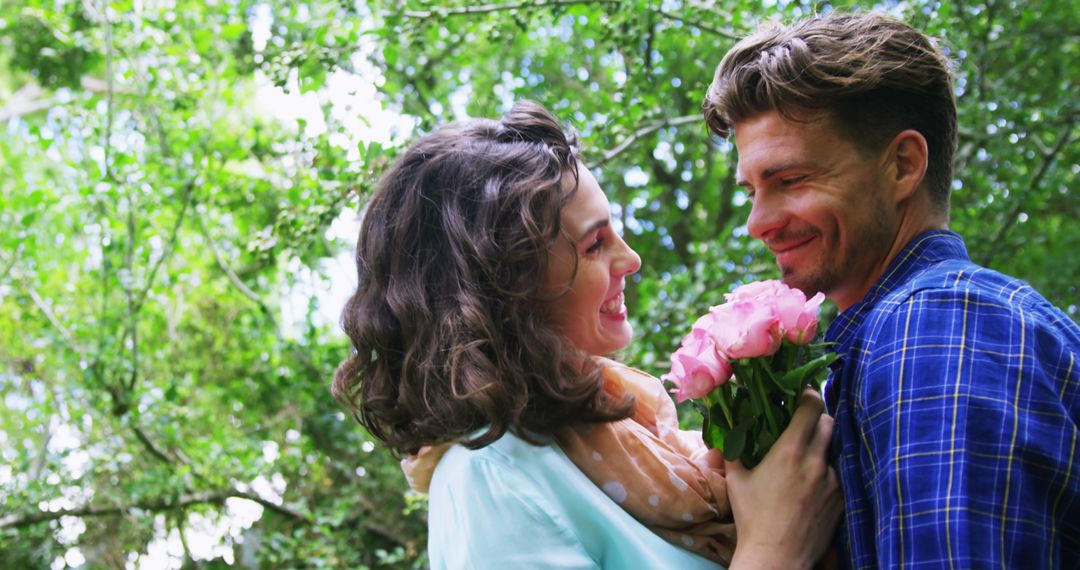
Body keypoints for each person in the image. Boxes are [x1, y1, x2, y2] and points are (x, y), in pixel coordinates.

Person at [333, 100, 842, 569]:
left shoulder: (620, 437)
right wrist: (773, 550)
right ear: (508, 286)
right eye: (596, 244)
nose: (632, 259)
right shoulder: (491, 477)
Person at [703, 11, 1080, 569]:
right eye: (752, 189)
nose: (759, 222)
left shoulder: (938, 325)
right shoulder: (886, 340)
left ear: (903, 165)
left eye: (791, 180)